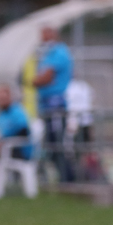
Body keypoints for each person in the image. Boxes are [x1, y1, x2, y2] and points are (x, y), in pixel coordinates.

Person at [33, 26, 74, 182]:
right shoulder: (48, 54)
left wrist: (34, 81)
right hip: (46, 105)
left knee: (57, 143)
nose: (42, 39)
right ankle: (63, 177)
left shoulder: (59, 52)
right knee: (51, 144)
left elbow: (45, 78)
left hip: (55, 106)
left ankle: (68, 178)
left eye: (44, 34)